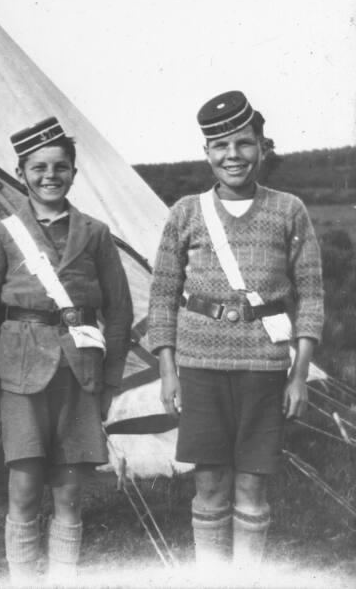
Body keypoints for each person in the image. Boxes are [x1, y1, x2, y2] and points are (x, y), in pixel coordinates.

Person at [148, 91, 324, 569]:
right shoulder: (185, 212)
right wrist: (168, 371)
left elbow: (310, 297)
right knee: (210, 484)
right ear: (207, 153)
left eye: (243, 143)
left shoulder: (290, 210)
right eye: (220, 146)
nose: (233, 156)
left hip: (265, 368)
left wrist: (298, 374)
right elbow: (162, 296)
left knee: (252, 484)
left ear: (262, 147)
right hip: (200, 367)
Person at [0, 117, 133, 585]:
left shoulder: (95, 233)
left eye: (60, 166)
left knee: (71, 491)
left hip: (81, 374)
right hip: (19, 374)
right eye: (38, 168)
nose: (49, 176)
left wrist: (110, 382)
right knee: (24, 485)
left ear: (74, 173)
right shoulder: (1, 235)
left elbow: (119, 312)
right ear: (21, 173)